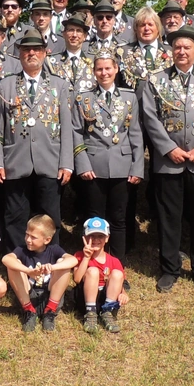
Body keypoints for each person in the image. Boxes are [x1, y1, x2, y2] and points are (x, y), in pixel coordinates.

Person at [140, 28, 194, 293]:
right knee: (169, 218)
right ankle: (170, 269)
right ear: (170, 51)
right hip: (169, 161)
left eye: (187, 47)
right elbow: (150, 118)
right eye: (177, 47)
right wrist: (168, 148)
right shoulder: (156, 80)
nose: (181, 51)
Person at [0, 29, 74, 251]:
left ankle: (49, 265)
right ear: (19, 54)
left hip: (50, 161)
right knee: (15, 217)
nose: (31, 53)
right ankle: (17, 264)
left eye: (36, 49)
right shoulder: (5, 85)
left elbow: (67, 128)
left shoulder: (60, 85)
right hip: (15, 162)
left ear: (45, 53)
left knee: (49, 218)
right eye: (26, 49)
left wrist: (66, 163)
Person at [72, 52, 144, 264]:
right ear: (94, 72)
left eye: (108, 68)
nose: (104, 73)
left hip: (122, 165)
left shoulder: (129, 97)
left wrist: (137, 167)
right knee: (94, 220)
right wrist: (82, 163)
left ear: (116, 69)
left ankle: (117, 267)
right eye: (99, 69)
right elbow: (77, 132)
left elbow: (135, 133)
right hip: (93, 166)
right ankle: (93, 265)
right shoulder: (83, 98)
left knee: (119, 219)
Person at [1, 214, 77, 332]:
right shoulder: (22, 250)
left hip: (50, 296)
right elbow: (5, 259)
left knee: (64, 263)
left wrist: (53, 267)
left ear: (47, 239)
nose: (28, 240)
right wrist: (28, 271)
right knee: (13, 264)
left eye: (33, 237)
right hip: (29, 296)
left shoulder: (54, 250)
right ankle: (29, 312)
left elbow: (73, 260)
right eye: (27, 234)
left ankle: (49, 312)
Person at [73, 218, 127, 334]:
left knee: (117, 273)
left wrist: (123, 293)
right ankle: (91, 314)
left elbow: (120, 281)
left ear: (107, 238)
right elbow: (77, 279)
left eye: (100, 236)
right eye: (92, 236)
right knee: (93, 271)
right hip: (86, 298)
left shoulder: (114, 261)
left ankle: (107, 311)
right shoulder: (79, 256)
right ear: (85, 237)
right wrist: (86, 258)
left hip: (106, 297)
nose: (96, 239)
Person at [117, 6, 174, 90]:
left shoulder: (171, 52)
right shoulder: (122, 52)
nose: (147, 28)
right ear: (136, 28)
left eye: (150, 24)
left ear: (158, 28)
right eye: (142, 25)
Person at [44, 12, 96, 95]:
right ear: (64, 34)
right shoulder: (51, 62)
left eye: (79, 31)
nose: (74, 35)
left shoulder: (94, 61)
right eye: (71, 30)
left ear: (85, 36)